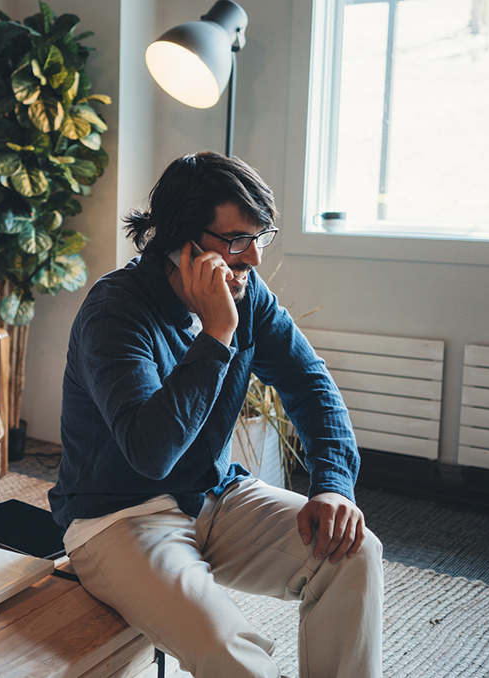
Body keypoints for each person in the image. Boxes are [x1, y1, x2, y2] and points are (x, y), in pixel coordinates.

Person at [48, 152, 383, 678]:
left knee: (353, 554)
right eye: (234, 240)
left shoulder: (249, 294)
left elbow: (310, 383)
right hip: (115, 517)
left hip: (213, 493)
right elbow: (150, 453)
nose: (251, 257)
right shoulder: (114, 311)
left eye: (259, 236)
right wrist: (217, 334)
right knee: (233, 654)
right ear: (182, 240)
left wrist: (333, 486)